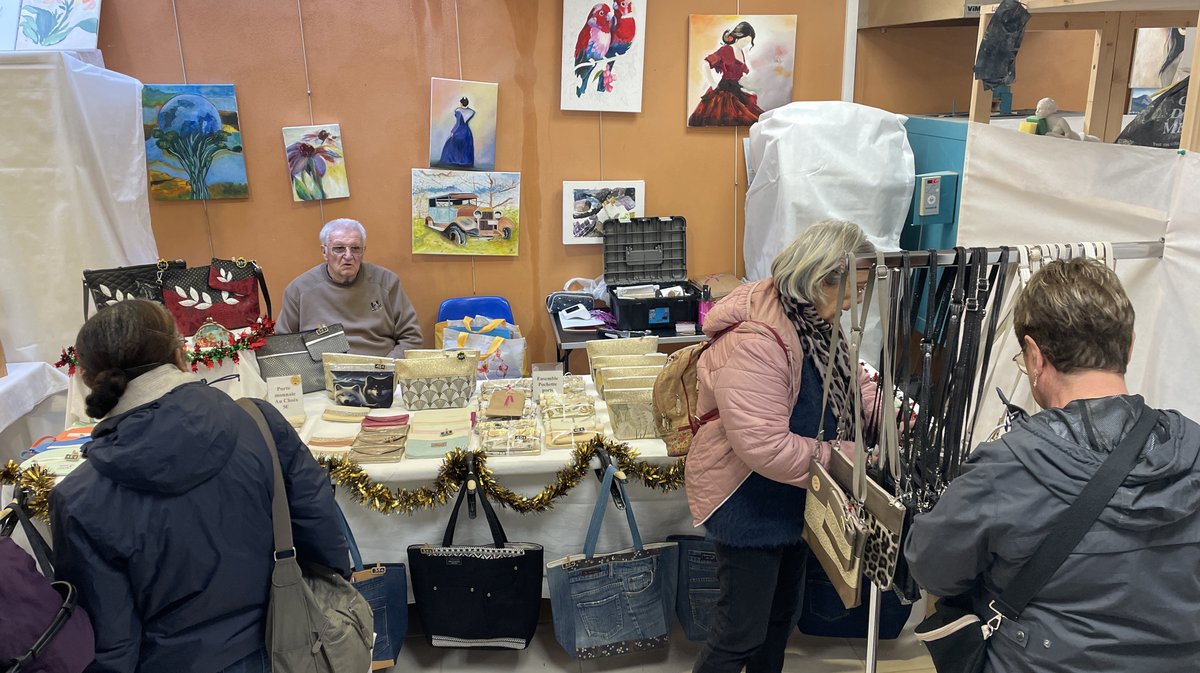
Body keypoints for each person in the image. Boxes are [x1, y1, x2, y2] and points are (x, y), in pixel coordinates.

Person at [905, 258, 1200, 672]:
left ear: (1034, 356)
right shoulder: (1193, 447)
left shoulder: (1009, 465)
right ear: (1129, 345)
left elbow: (931, 568)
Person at [50, 300, 350, 673]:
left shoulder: (77, 497)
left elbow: (112, 640)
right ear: (181, 354)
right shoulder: (258, 421)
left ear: (84, 379)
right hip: (288, 642)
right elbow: (321, 534)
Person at [687, 220, 880, 673]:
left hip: (794, 492)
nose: (857, 302)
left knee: (779, 619)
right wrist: (842, 457)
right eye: (856, 288)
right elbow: (764, 446)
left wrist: (887, 416)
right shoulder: (760, 338)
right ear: (822, 279)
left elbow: (852, 380)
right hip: (748, 499)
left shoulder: (813, 321)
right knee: (741, 631)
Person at [277, 218, 423, 357]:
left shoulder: (387, 282)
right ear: (324, 252)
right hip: (322, 375)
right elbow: (283, 345)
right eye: (339, 248)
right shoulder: (299, 289)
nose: (348, 256)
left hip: (380, 371)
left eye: (355, 248)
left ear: (363, 251)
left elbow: (411, 337)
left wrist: (389, 367)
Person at [688, 21, 764, 127]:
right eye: (745, 40)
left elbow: (735, 81)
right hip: (723, 94)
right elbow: (705, 64)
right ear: (738, 36)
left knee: (753, 118)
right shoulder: (726, 50)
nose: (746, 44)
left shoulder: (741, 52)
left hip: (735, 91)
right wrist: (713, 83)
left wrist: (744, 90)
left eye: (748, 42)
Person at [438, 97, 476, 168]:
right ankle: (465, 162)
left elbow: (458, 123)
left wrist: (453, 131)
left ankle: (454, 161)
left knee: (451, 144)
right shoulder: (472, 112)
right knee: (466, 146)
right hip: (467, 132)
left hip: (459, 130)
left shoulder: (458, 110)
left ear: (461, 103)